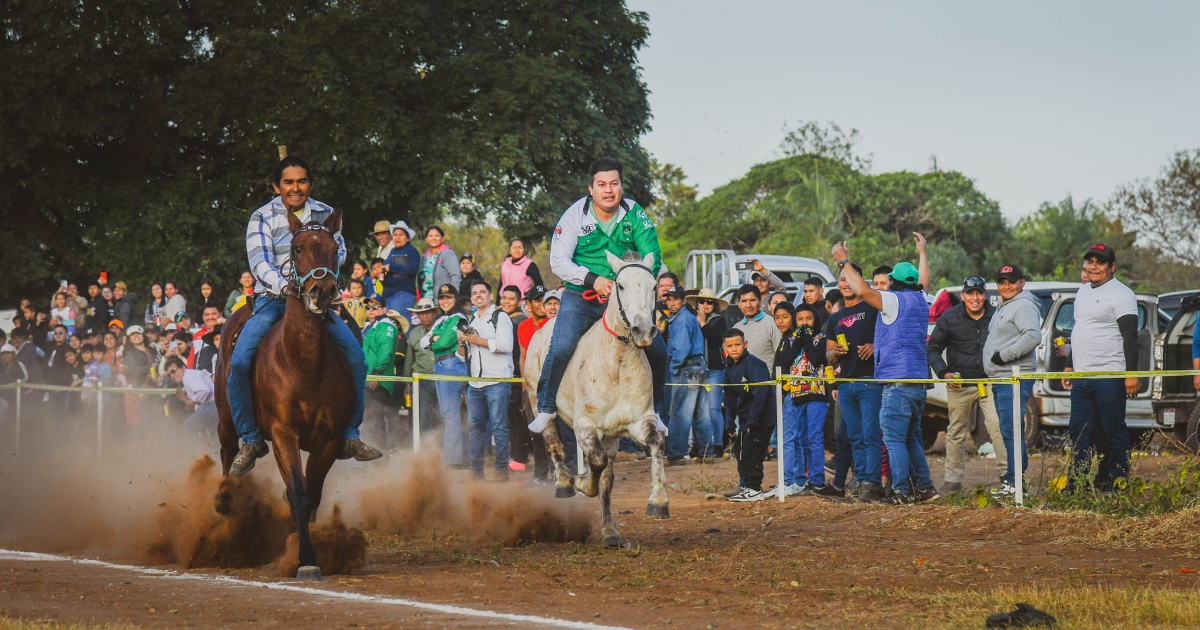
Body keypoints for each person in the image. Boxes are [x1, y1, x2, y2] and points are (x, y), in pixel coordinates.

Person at [226, 155, 381, 476]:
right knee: (240, 361)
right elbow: (259, 263)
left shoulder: (326, 213)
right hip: (275, 299)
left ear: (310, 184)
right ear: (276, 186)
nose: (296, 188)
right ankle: (251, 438)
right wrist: (286, 286)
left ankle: (350, 434)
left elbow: (339, 251)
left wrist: (321, 280)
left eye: (302, 181)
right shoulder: (261, 217)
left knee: (355, 357)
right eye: (288, 182)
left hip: (317, 302)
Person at [530, 157, 669, 438]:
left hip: (626, 300)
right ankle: (546, 407)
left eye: (614, 184)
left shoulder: (635, 214)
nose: (608, 190)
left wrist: (628, 282)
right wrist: (594, 279)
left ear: (621, 187)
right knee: (561, 346)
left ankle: (657, 412)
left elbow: (653, 257)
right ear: (591, 189)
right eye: (602, 185)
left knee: (659, 351)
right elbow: (558, 261)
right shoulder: (573, 216)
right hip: (583, 295)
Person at [831, 234, 939, 504]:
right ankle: (925, 488)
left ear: (895, 283)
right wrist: (922, 252)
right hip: (917, 383)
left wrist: (843, 261)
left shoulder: (893, 300)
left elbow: (863, 291)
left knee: (893, 439)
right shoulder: (920, 299)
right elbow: (925, 279)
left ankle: (901, 491)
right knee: (911, 438)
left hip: (897, 383)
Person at [1062, 243, 1139, 492]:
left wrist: (1131, 375)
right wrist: (1069, 365)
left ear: (1112, 267)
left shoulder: (1122, 293)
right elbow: (1079, 330)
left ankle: (1117, 482)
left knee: (1112, 430)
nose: (1093, 267)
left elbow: (1130, 337)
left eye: (1100, 262)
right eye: (1090, 262)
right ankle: (1079, 483)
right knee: (1079, 430)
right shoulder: (1083, 292)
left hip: (1110, 375)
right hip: (1083, 376)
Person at [929, 276, 1008, 495]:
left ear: (985, 295)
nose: (975, 298)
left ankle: (1007, 478)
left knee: (997, 427)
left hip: (989, 381)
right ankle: (952, 481)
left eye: (979, 293)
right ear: (963, 296)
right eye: (970, 293)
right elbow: (933, 348)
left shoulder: (997, 316)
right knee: (955, 432)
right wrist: (944, 373)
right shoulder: (950, 317)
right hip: (959, 383)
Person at [979, 264, 1042, 498]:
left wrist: (1003, 356)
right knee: (1009, 429)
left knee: (1012, 430)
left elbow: (1033, 336)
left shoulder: (1023, 305)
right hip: (1002, 377)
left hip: (1013, 377)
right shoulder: (1006, 305)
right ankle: (1014, 482)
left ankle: (1015, 482)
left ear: (1022, 282)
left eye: (1012, 281)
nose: (1007, 286)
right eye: (1002, 282)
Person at [459, 282, 515, 480]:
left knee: (499, 426)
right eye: (474, 293)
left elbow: (508, 345)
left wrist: (479, 341)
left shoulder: (500, 317)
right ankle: (476, 471)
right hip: (475, 382)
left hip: (497, 379)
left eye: (482, 292)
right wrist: (461, 342)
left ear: (491, 296)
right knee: (475, 428)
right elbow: (463, 356)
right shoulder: (472, 321)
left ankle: (501, 470)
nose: (478, 295)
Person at [775, 302, 831, 497]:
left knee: (815, 437)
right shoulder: (790, 340)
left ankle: (817, 480)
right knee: (803, 438)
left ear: (815, 319)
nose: (804, 323)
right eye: (800, 319)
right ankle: (806, 479)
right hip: (797, 395)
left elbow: (816, 359)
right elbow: (783, 362)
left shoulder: (821, 338)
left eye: (808, 319)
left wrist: (806, 339)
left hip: (816, 393)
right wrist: (799, 341)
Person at [420, 284, 471, 468]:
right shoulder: (442, 319)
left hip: (452, 364)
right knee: (448, 413)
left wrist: (434, 339)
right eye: (442, 298)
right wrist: (434, 340)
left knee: (450, 414)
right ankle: (465, 456)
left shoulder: (458, 318)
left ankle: (454, 459)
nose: (445, 301)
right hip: (441, 364)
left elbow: (442, 341)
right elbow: (423, 342)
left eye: (449, 297)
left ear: (455, 299)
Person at [723, 328, 775, 502]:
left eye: (738, 344)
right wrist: (729, 423)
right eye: (730, 346)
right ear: (725, 347)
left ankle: (754, 489)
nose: (734, 349)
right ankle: (745, 485)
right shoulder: (729, 368)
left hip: (762, 417)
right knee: (741, 449)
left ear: (745, 344)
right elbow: (729, 397)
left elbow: (761, 393)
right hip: (746, 417)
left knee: (752, 452)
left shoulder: (754, 365)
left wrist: (753, 420)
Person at [662, 285, 711, 464]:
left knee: (679, 413)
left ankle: (676, 453)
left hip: (686, 368)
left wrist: (674, 369)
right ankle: (707, 452)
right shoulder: (686, 317)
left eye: (676, 299)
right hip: (697, 368)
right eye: (669, 299)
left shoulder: (681, 319)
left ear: (683, 301)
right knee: (700, 412)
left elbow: (681, 349)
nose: (672, 302)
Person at [516, 285, 552, 481]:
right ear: (528, 304)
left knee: (557, 433)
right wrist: (525, 385)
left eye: (543, 300)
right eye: (536, 300)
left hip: (552, 387)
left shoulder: (554, 324)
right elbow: (522, 357)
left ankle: (559, 472)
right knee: (536, 433)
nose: (541, 304)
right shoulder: (523, 327)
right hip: (532, 387)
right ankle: (540, 474)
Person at [687, 288, 729, 458]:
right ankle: (699, 445)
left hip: (714, 370)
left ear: (715, 305)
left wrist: (703, 323)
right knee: (696, 410)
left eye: (709, 302)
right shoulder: (690, 320)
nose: (705, 304)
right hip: (695, 370)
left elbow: (717, 340)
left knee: (713, 409)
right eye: (702, 301)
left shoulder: (719, 321)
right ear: (696, 304)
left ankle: (718, 443)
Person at [499, 285, 532, 471]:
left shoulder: (519, 320)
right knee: (512, 416)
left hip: (519, 374)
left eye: (511, 299)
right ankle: (517, 455)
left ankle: (520, 456)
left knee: (520, 417)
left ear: (519, 302)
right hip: (506, 374)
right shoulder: (503, 318)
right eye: (504, 298)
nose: (507, 302)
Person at [362, 296, 400, 440]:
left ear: (384, 309)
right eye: (368, 307)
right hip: (368, 379)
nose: (370, 310)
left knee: (375, 419)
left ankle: (379, 458)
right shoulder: (372, 327)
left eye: (375, 307)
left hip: (378, 380)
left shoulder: (387, 326)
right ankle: (372, 457)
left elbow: (386, 352)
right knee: (370, 418)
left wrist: (376, 374)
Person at [402, 298, 441, 437]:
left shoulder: (442, 330)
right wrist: (407, 383)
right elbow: (409, 359)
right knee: (423, 416)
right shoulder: (414, 333)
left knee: (442, 415)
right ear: (418, 316)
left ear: (434, 313)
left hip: (441, 379)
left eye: (428, 312)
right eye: (422, 313)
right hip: (421, 381)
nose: (425, 316)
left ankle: (441, 448)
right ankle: (425, 449)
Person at [730, 284, 781, 371]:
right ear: (738, 304)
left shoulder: (772, 324)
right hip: (741, 382)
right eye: (744, 301)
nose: (748, 305)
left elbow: (780, 357)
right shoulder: (736, 328)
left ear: (760, 302)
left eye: (752, 300)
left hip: (766, 382)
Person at [165, 356, 219, 436]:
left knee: (188, 426)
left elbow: (204, 391)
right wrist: (187, 400)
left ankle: (198, 448)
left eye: (173, 371)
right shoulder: (191, 374)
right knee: (214, 436)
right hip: (217, 405)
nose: (172, 376)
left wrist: (192, 401)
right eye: (169, 375)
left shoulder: (187, 376)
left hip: (214, 405)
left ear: (183, 367)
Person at [382, 222, 420, 315]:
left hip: (402, 294)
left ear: (407, 238)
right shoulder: (393, 251)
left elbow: (412, 268)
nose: (397, 237)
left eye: (401, 235)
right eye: (395, 235)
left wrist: (391, 267)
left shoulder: (411, 251)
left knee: (402, 325)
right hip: (388, 295)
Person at [419, 226, 461, 302]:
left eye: (437, 236)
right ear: (426, 240)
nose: (433, 238)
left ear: (442, 238)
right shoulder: (425, 256)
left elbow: (455, 275)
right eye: (430, 236)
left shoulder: (447, 253)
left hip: (442, 300)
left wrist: (452, 296)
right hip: (426, 300)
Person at [499, 239, 544, 305]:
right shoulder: (505, 264)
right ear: (510, 251)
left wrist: (528, 296)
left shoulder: (530, 265)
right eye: (514, 247)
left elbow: (539, 284)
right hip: (505, 302)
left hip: (522, 303)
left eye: (520, 248)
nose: (517, 250)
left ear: (524, 251)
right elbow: (501, 284)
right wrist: (497, 303)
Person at [0, 344, 28, 422]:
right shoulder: (4, 367)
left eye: (8, 353)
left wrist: (13, 384)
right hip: (5, 397)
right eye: (3, 353)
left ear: (13, 353)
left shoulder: (19, 364)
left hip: (15, 398)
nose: (6, 356)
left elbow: (25, 377)